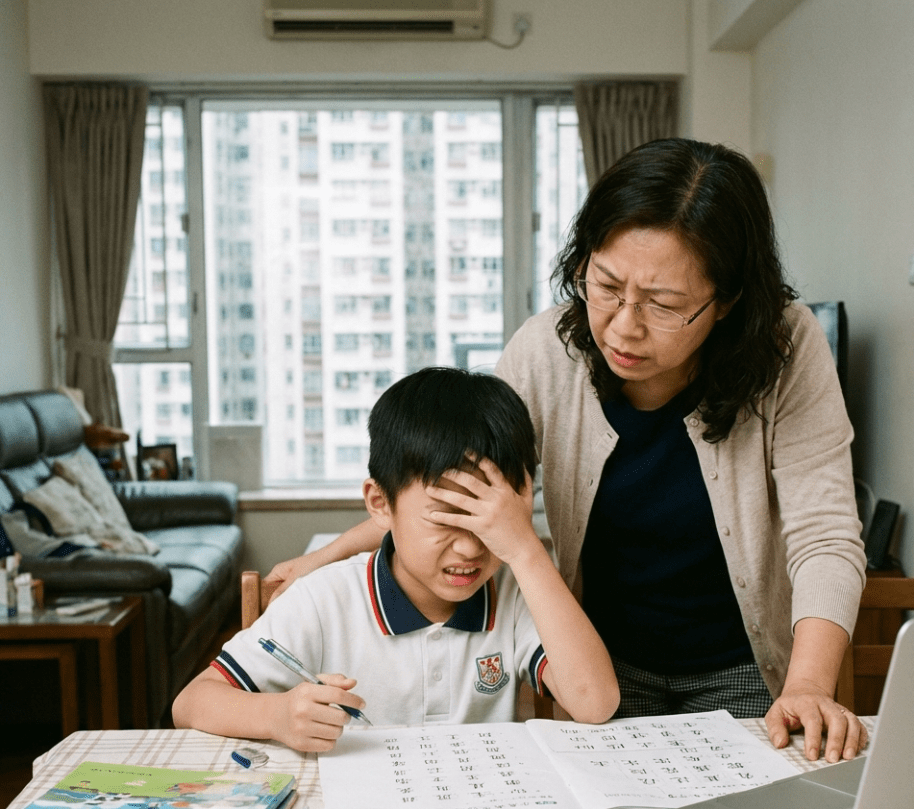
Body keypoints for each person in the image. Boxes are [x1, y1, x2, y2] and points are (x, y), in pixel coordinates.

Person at [264, 138, 867, 765]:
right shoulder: (549, 351)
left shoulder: (786, 351)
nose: (623, 326)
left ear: (728, 302)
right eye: (605, 285)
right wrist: (327, 556)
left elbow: (823, 533)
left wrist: (807, 686)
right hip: (605, 661)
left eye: (663, 305)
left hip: (745, 663)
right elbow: (459, 487)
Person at [172, 368, 619, 752]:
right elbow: (191, 703)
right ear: (380, 504)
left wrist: (524, 549)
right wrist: (277, 715)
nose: (469, 549)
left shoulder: (518, 593)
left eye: (490, 524)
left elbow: (595, 704)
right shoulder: (324, 600)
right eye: (445, 521)